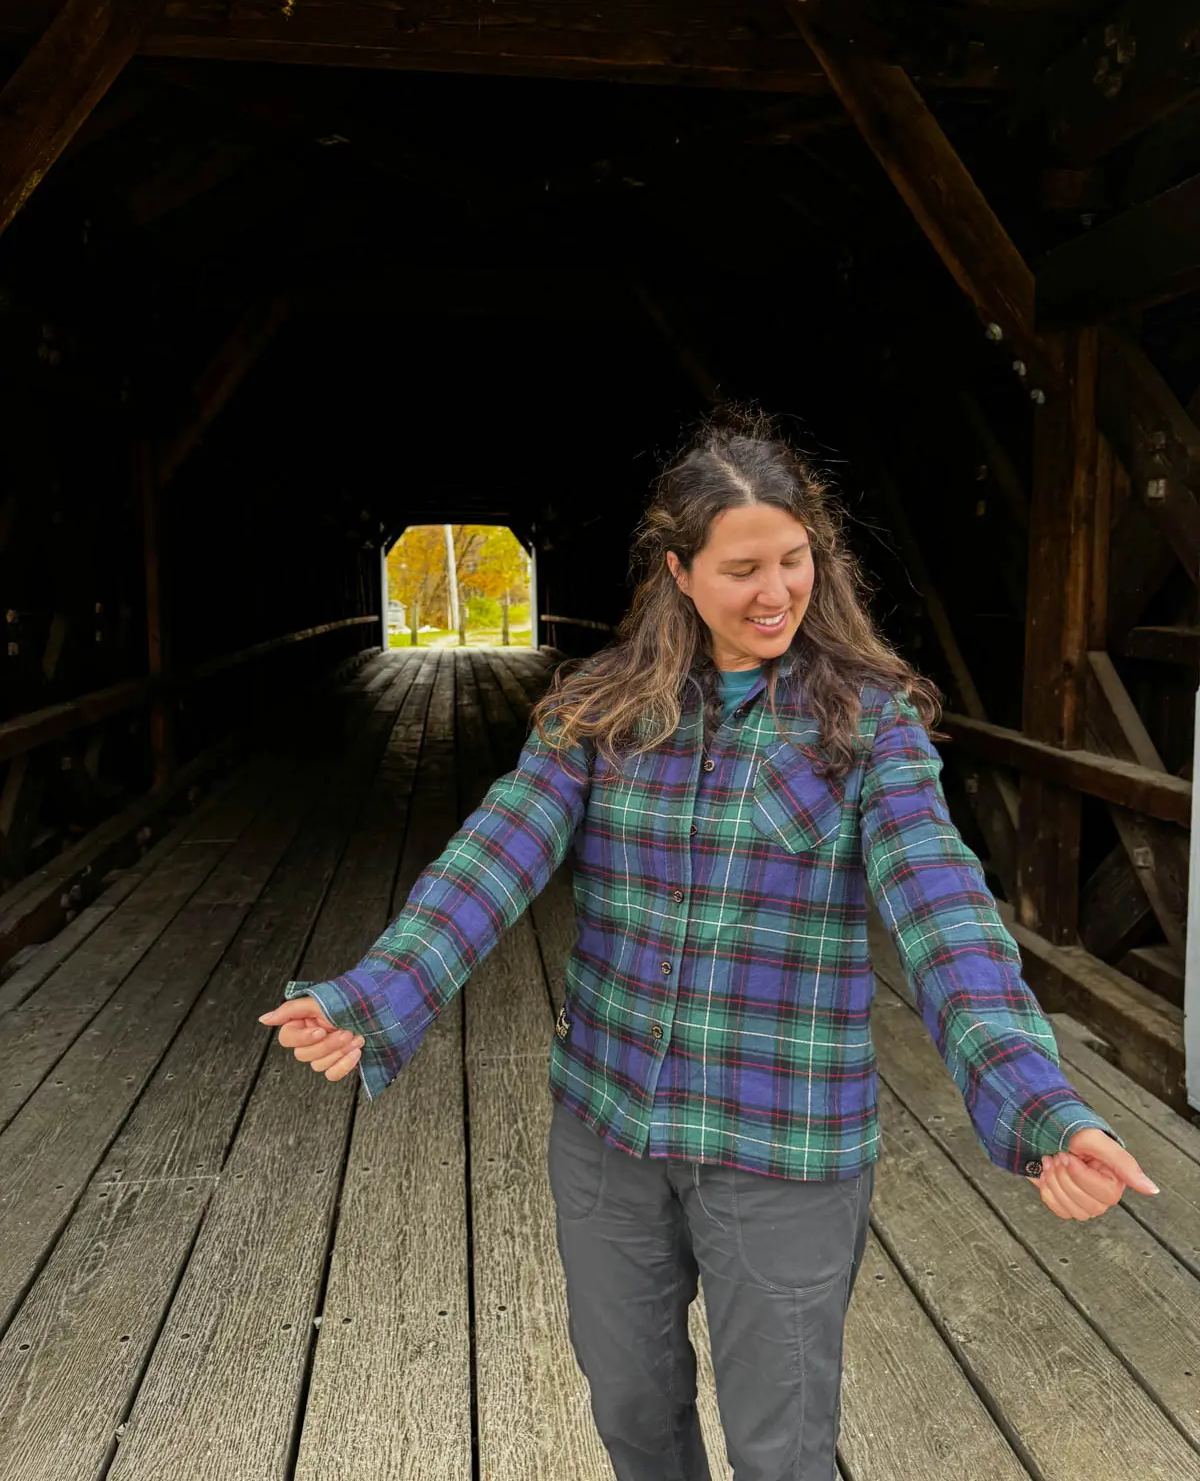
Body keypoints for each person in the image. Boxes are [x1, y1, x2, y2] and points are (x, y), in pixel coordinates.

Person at [259, 417, 1159, 1481]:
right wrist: (374, 996)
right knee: (632, 1412)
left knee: (782, 1451)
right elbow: (492, 858)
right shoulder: (601, 710)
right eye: (742, 570)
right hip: (610, 1128)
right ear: (680, 573)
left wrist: (1041, 1105)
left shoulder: (868, 727)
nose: (776, 592)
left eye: (794, 560)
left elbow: (945, 913)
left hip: (783, 1143)